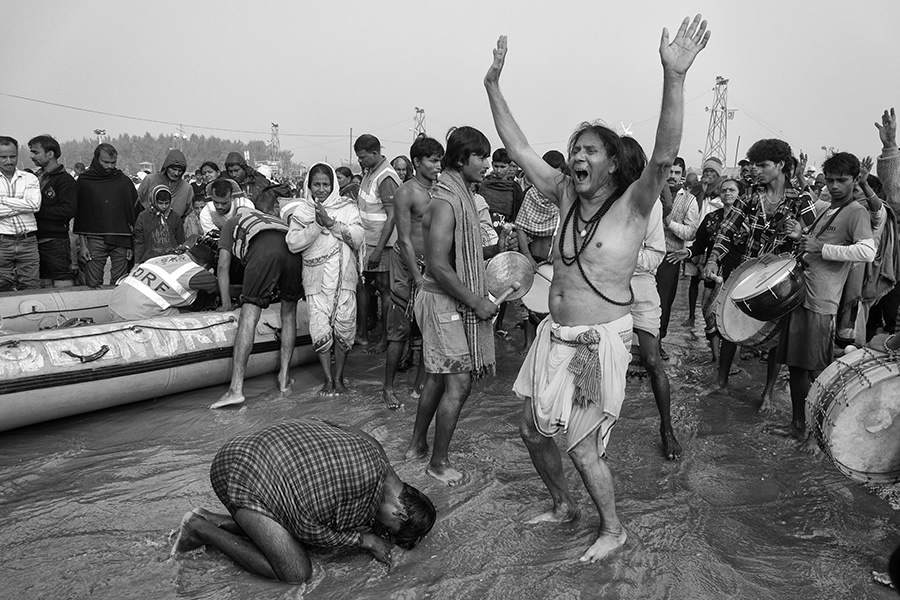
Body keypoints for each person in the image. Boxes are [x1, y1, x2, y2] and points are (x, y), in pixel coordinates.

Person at [485, 15, 709, 562]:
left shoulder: (635, 205)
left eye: (590, 151)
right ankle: (563, 506)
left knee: (583, 447)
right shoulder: (563, 195)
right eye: (574, 148)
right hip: (553, 336)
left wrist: (673, 76)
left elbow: (662, 154)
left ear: (612, 163)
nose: (578, 157)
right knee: (533, 432)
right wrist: (492, 86)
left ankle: (613, 529)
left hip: (596, 344)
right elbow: (516, 149)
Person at [170, 418, 436, 584]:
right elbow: (307, 529)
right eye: (388, 530)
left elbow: (327, 423)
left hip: (251, 447)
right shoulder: (363, 485)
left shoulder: (374, 450)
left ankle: (212, 519)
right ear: (400, 513)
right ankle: (199, 528)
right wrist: (365, 541)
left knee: (304, 531)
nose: (380, 530)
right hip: (241, 475)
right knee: (296, 572)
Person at [404, 126, 516, 486]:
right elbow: (437, 263)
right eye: (480, 157)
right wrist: (476, 302)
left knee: (439, 377)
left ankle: (416, 446)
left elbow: (460, 255)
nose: (486, 163)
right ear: (460, 159)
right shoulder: (448, 202)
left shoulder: (460, 196)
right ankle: (438, 463)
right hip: (441, 301)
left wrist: (496, 250)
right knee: (460, 384)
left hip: (444, 298)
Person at [702, 139, 817, 409]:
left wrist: (798, 234)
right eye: (754, 164)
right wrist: (714, 258)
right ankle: (721, 382)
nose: (757, 170)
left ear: (779, 165)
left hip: (781, 280)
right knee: (728, 324)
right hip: (746, 271)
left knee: (776, 335)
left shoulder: (802, 199)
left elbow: (813, 239)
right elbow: (727, 229)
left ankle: (767, 393)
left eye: (763, 165)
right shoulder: (752, 195)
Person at [780, 152, 874, 446]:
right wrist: (801, 235)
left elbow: (867, 251)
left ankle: (819, 433)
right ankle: (797, 424)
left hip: (822, 300)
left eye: (841, 181)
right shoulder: (828, 209)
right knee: (795, 365)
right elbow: (816, 242)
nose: (834, 186)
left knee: (817, 369)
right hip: (800, 295)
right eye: (830, 180)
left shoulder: (856, 211)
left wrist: (823, 249)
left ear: (855, 180)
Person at [210, 187, 304, 409]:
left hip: (264, 250)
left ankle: (236, 389)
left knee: (249, 314)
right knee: (288, 311)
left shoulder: (233, 222)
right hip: (292, 250)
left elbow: (223, 265)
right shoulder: (275, 219)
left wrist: (225, 304)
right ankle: (284, 378)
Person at [620, 136, 682, 461]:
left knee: (653, 360)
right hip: (607, 289)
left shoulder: (652, 203)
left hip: (641, 286)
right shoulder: (599, 200)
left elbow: (656, 254)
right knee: (602, 359)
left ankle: (666, 427)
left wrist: (624, 257)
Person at [285, 162, 364, 396]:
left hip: (344, 278)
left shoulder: (347, 208)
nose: (321, 189)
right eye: (316, 184)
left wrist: (331, 223)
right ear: (309, 186)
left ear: (334, 185)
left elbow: (358, 238)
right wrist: (317, 225)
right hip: (315, 280)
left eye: (325, 184)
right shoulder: (302, 212)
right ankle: (327, 380)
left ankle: (340, 378)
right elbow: (293, 243)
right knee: (319, 328)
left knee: (345, 325)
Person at [382, 136, 443, 409]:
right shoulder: (407, 192)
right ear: (417, 162)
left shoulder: (442, 191)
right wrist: (417, 278)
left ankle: (420, 387)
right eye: (432, 160)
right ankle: (388, 387)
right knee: (400, 330)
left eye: (439, 159)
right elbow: (404, 238)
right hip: (406, 266)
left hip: (432, 267)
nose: (437, 165)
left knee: (429, 329)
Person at [670, 177, 742, 363]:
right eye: (724, 190)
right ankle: (716, 358)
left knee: (733, 319)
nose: (727, 193)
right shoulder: (711, 219)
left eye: (732, 190)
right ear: (719, 193)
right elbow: (699, 244)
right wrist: (687, 252)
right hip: (712, 274)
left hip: (737, 276)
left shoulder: (747, 220)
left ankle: (731, 362)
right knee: (710, 316)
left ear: (739, 194)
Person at [354, 134, 403, 353]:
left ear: (375, 153)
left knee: (385, 290)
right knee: (363, 287)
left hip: (382, 244)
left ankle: (385, 339)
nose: (360, 161)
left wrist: (380, 249)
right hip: (367, 240)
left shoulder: (386, 177)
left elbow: (392, 216)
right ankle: (362, 334)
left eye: (362, 157)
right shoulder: (370, 172)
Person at [514, 150, 564, 348]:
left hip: (557, 260)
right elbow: (520, 227)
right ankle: (528, 343)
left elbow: (568, 228)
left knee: (554, 305)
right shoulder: (531, 194)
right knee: (528, 302)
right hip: (532, 256)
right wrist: (527, 256)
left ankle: (550, 344)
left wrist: (558, 252)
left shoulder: (565, 196)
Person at [73, 143, 137, 287]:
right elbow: (82, 215)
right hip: (94, 238)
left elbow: (132, 214)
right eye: (105, 162)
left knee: (120, 283)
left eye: (113, 163)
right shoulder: (85, 181)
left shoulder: (123, 182)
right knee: (93, 283)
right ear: (96, 159)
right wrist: (83, 245)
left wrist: (130, 245)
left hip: (121, 239)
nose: (109, 166)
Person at [109, 242, 218, 320]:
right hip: (135, 315)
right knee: (193, 316)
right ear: (205, 265)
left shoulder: (163, 258)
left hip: (114, 306)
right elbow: (224, 289)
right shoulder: (198, 272)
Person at [28, 135, 77, 288]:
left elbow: (68, 210)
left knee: (61, 276)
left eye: (36, 152)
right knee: (43, 279)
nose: (32, 156)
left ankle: (68, 310)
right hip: (35, 238)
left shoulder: (64, 180)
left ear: (50, 154)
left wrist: (36, 210)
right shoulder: (36, 177)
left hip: (55, 239)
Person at [683, 156, 724, 326]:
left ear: (718, 174)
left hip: (713, 242)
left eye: (712, 171)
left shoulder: (721, 193)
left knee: (712, 283)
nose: (708, 174)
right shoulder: (697, 190)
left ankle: (713, 320)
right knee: (693, 280)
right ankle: (692, 315)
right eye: (706, 171)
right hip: (696, 240)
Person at [0, 136, 41, 291]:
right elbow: (28, 205)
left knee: (31, 286)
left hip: (28, 241)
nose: (9, 161)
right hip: (2, 241)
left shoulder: (29, 178)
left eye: (12, 156)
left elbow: (34, 205)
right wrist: (22, 204)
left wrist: (3, 200)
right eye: (3, 157)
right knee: (2, 287)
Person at [133, 186, 185, 263]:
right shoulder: (144, 217)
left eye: (167, 203)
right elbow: (139, 241)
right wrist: (137, 262)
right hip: (150, 259)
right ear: (154, 200)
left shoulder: (174, 217)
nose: (164, 206)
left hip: (171, 259)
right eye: (160, 203)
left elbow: (180, 240)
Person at [137, 149, 192, 218]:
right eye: (174, 169)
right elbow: (137, 203)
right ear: (166, 167)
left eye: (180, 171)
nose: (176, 173)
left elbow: (188, 213)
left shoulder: (187, 189)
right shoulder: (150, 180)